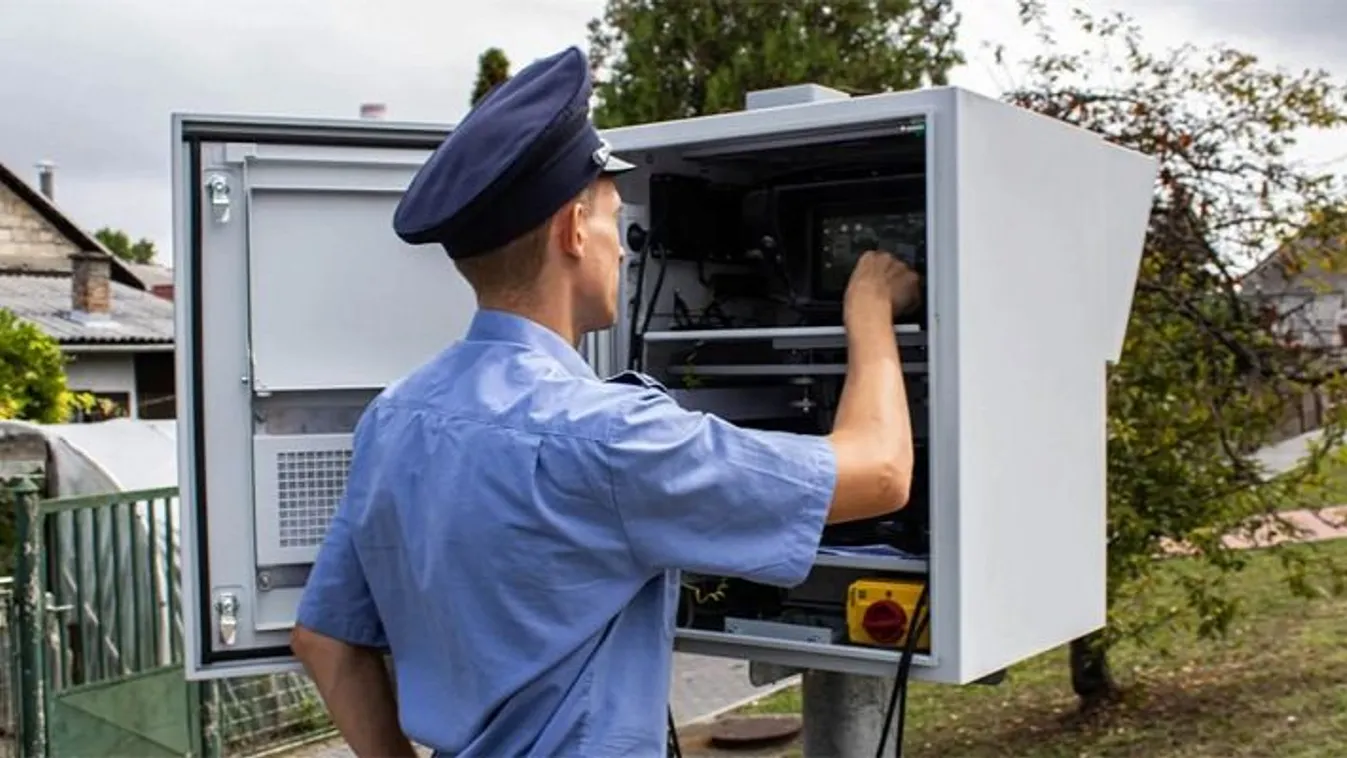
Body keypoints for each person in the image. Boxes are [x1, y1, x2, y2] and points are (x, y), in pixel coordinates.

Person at [290, 45, 922, 757]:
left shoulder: (396, 416)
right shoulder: (607, 437)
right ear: (570, 230)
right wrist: (868, 309)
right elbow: (881, 472)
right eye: (615, 223)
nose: (623, 252)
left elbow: (324, 639)